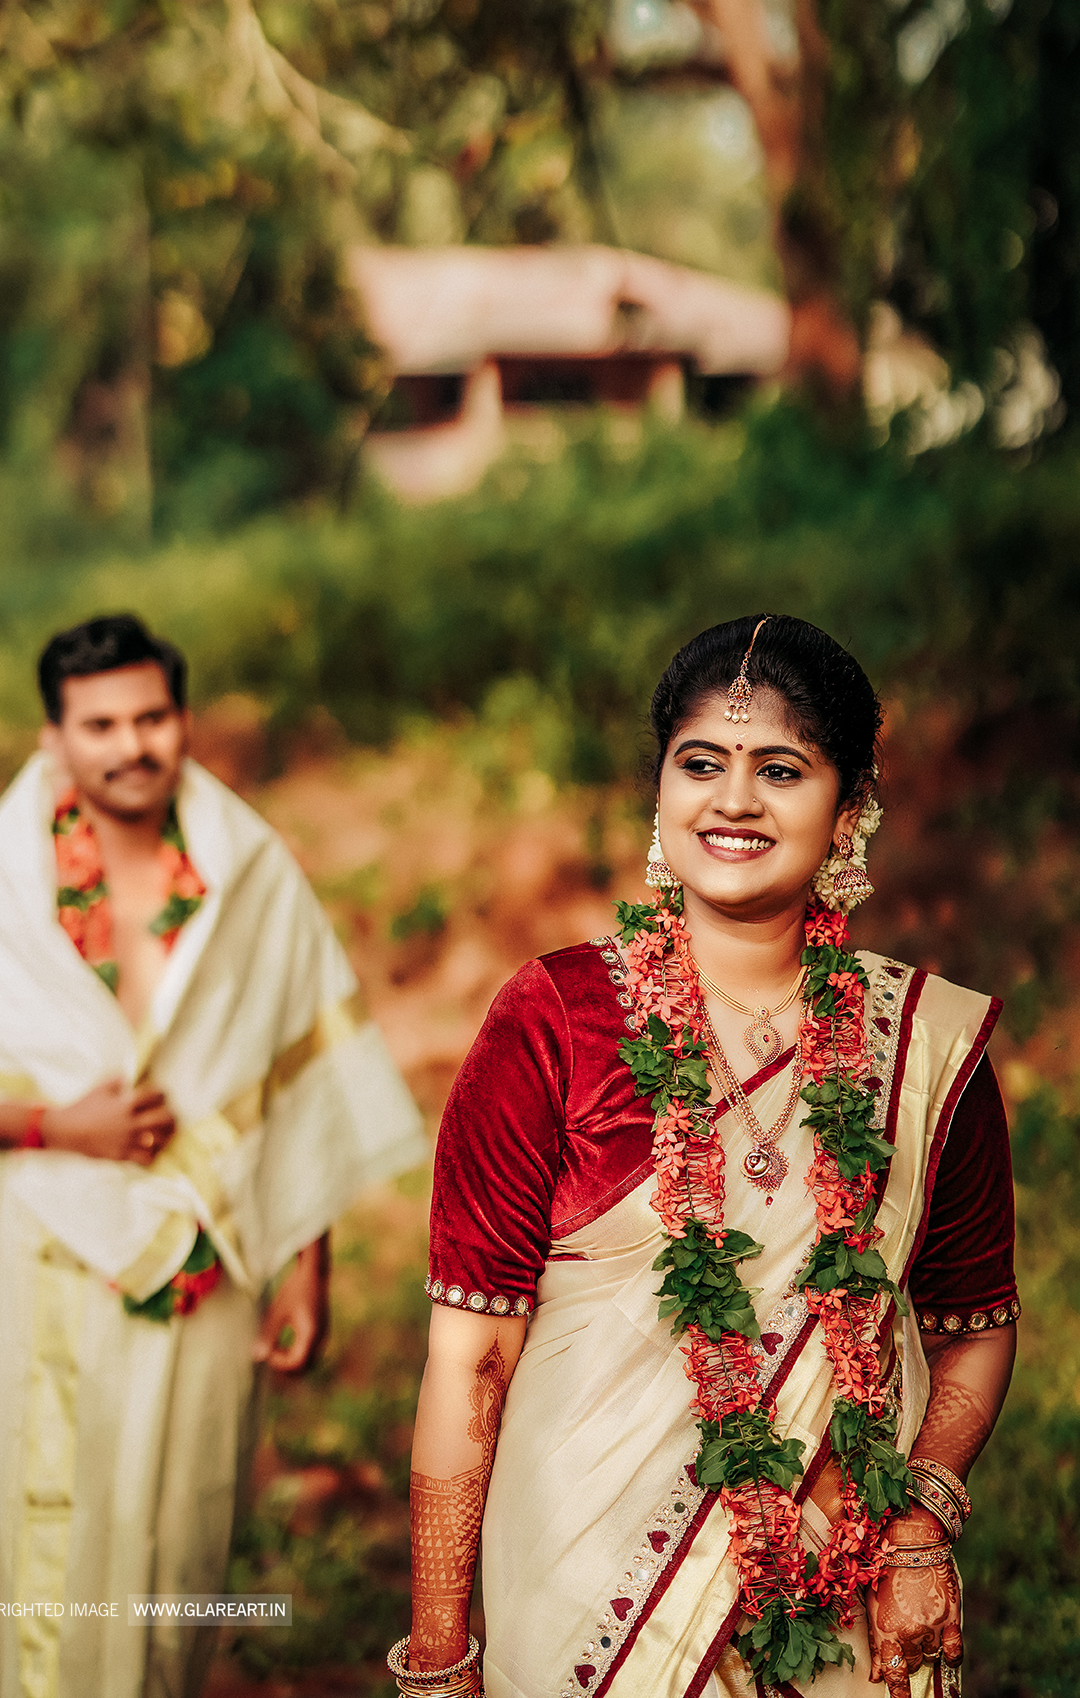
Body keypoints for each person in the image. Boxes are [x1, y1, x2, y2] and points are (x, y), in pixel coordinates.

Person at [392, 615, 1017, 1698]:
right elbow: (471, 1357)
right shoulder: (555, 1019)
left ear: (850, 806)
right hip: (589, 1590)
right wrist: (442, 1656)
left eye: (781, 768)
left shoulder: (922, 1042)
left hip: (847, 1585)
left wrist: (919, 1525)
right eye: (702, 763)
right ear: (660, 791)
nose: (734, 801)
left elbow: (974, 1323)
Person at [0, 614, 427, 1698]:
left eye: (152, 716)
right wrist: (57, 1127)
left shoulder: (247, 870)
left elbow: (299, 1075)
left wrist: (305, 1262)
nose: (131, 744)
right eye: (101, 723)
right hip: (56, 1247)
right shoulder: (5, 883)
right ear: (54, 737)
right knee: (57, 1513)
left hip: (212, 1238)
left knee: (182, 1517)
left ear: (183, 720)